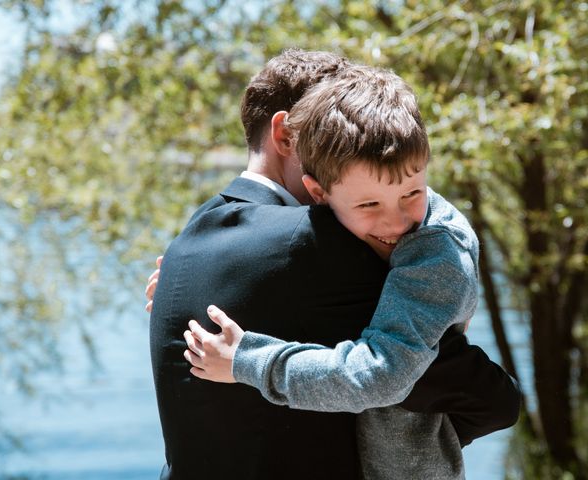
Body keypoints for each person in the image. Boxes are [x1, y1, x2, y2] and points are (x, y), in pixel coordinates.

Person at [148, 50, 519, 480]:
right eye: (325, 134)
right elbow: (489, 399)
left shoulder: (187, 242)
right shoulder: (323, 243)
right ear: (289, 136)